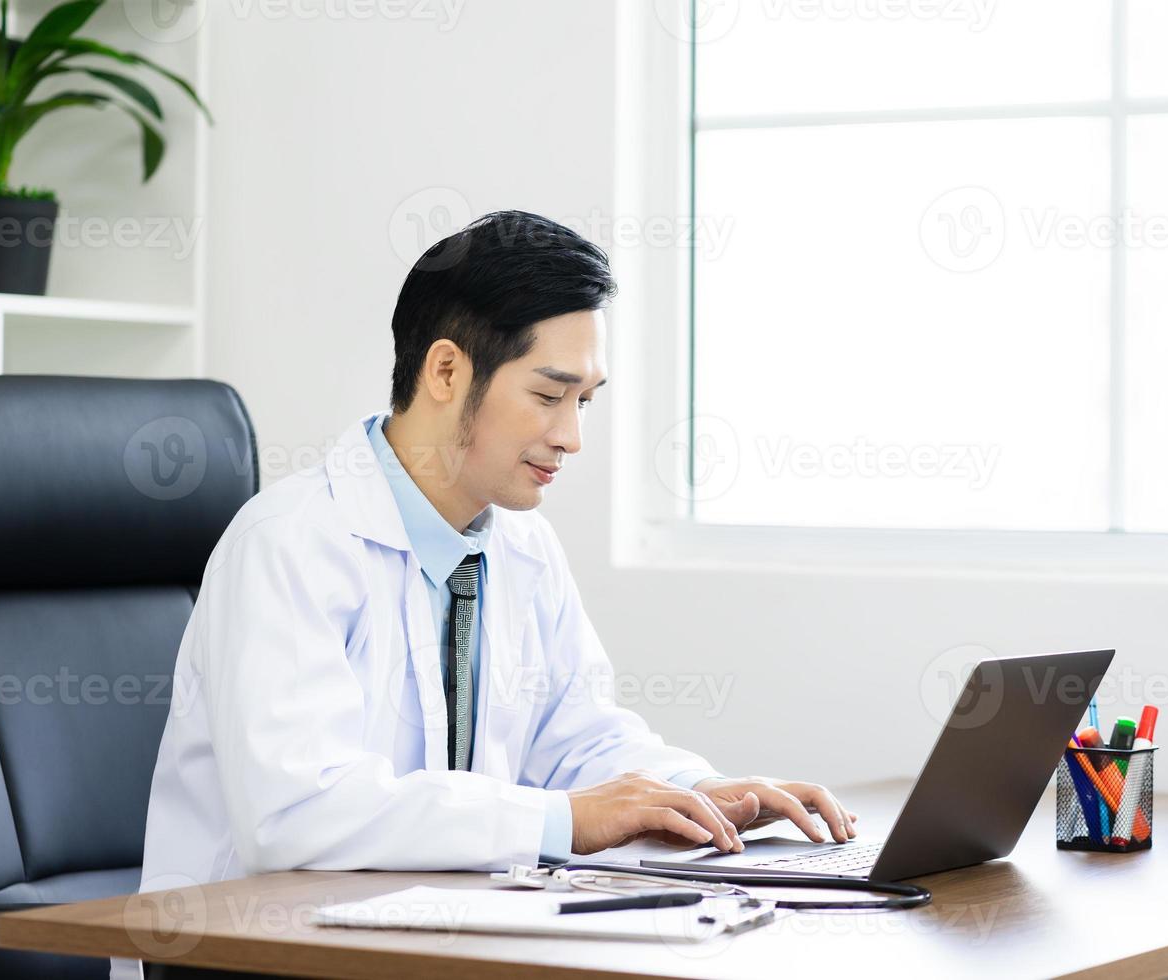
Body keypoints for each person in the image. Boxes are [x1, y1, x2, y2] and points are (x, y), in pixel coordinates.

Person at [136, 210, 856, 890]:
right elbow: (294, 815)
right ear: (446, 372)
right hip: (254, 948)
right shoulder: (290, 544)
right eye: (550, 396)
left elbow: (578, 739)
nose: (572, 437)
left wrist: (698, 791)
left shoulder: (523, 547)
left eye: (586, 402)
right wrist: (562, 821)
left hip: (436, 930)